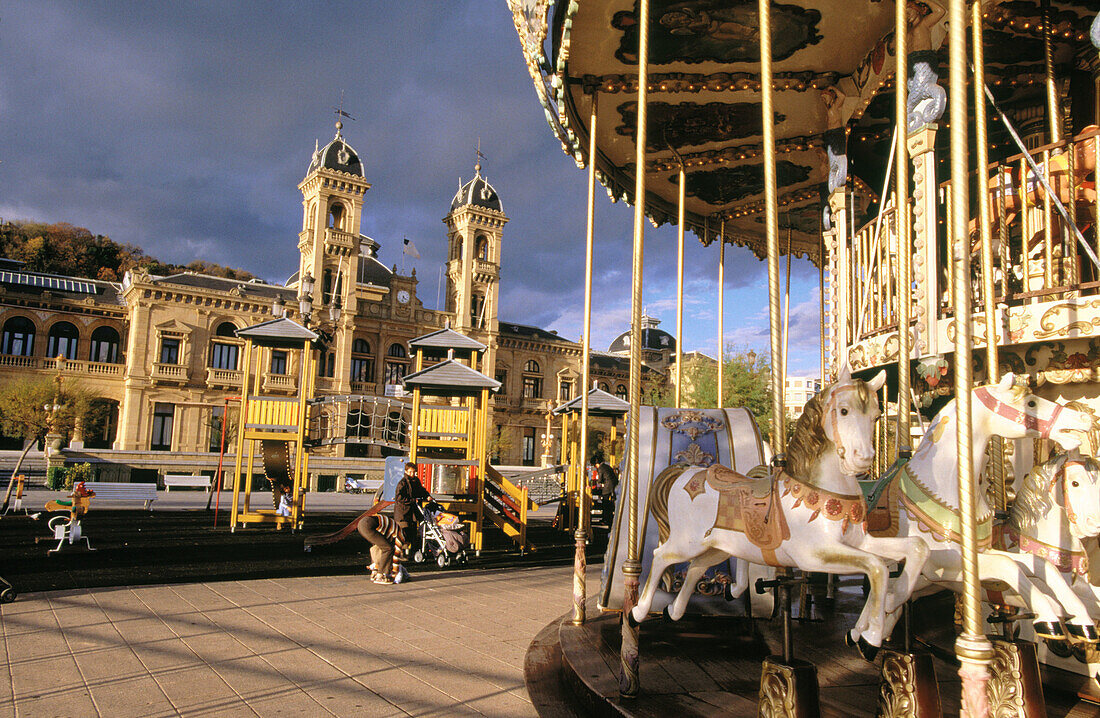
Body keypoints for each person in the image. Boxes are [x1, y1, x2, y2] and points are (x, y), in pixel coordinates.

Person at [395, 461, 431, 556]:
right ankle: (401, 553)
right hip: (403, 512)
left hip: (412, 512)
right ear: (406, 471)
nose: (412, 474)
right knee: (403, 533)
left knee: (412, 532)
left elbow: (421, 490)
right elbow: (399, 498)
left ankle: (409, 552)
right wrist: (412, 500)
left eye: (414, 472)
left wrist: (427, 496)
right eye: (410, 472)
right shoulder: (402, 483)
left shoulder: (416, 481)